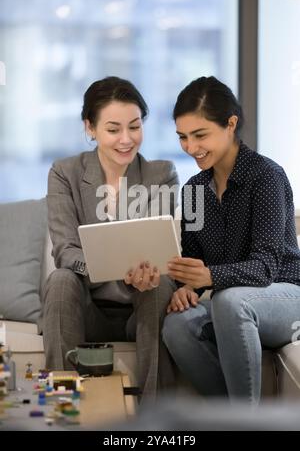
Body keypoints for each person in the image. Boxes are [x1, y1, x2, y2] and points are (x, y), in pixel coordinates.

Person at [162, 76, 300, 404]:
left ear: (230, 124)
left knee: (229, 300)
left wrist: (209, 277)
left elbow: (265, 267)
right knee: (176, 325)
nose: (190, 147)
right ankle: (233, 419)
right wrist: (185, 288)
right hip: (235, 306)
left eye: (200, 135)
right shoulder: (194, 190)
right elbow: (194, 259)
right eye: (182, 137)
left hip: (287, 296)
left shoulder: (266, 176)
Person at [42, 76, 179, 401]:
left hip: (141, 305)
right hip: (86, 306)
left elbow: (158, 248)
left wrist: (143, 274)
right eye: (113, 129)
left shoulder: (162, 174)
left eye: (134, 127)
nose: (126, 139)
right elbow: (65, 250)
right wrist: (113, 267)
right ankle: (64, 406)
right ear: (90, 128)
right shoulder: (65, 172)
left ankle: (155, 419)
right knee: (61, 278)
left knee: (158, 283)